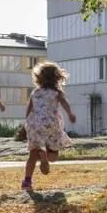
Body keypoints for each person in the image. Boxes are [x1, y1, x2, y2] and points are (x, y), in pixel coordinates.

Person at [22, 61, 76, 191]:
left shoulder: (35, 92)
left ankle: (27, 182)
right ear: (57, 77)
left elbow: (28, 110)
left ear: (39, 78)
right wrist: (70, 113)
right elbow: (64, 101)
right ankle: (45, 154)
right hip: (51, 124)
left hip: (34, 124)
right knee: (53, 156)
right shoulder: (57, 92)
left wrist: (29, 124)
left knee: (32, 155)